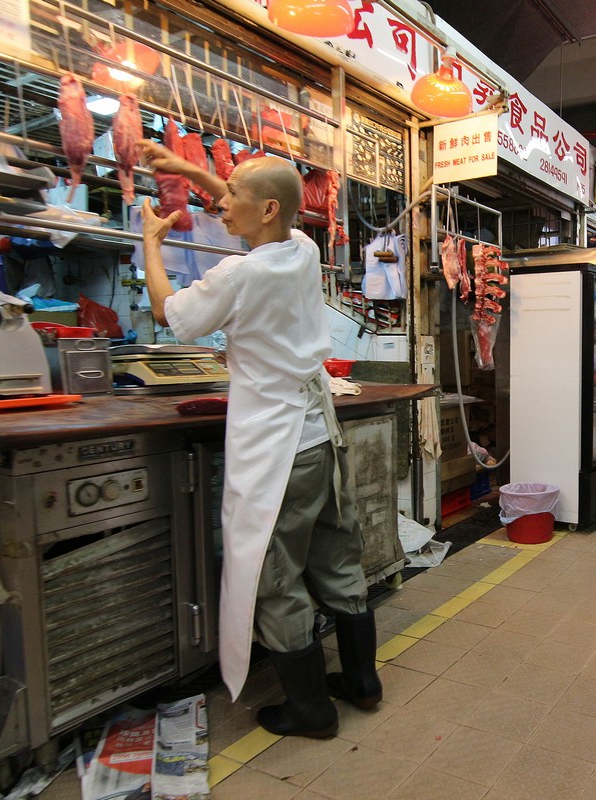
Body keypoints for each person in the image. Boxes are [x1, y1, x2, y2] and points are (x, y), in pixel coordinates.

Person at [138, 140, 381, 739]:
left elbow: (172, 313)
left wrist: (149, 243)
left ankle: (310, 710)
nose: (223, 206)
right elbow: (239, 200)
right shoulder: (300, 247)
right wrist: (190, 170)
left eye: (235, 195)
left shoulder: (239, 273)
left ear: (267, 210)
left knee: (275, 577)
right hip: (318, 438)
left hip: (277, 448)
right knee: (336, 558)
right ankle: (361, 682)